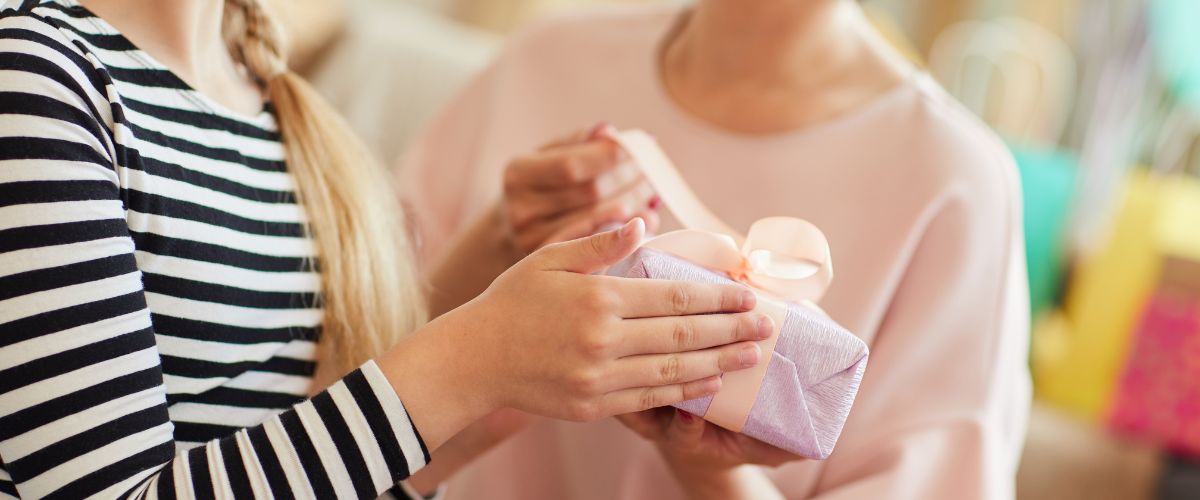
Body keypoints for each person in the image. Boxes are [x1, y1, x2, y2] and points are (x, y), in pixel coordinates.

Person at [0, 0, 772, 497]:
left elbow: (296, 463)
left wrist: (491, 408)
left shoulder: (268, 102)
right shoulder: (36, 81)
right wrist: (475, 360)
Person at [398, 0, 1032, 498]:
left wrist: (710, 472)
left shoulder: (955, 182)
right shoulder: (545, 58)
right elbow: (342, 368)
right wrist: (497, 247)